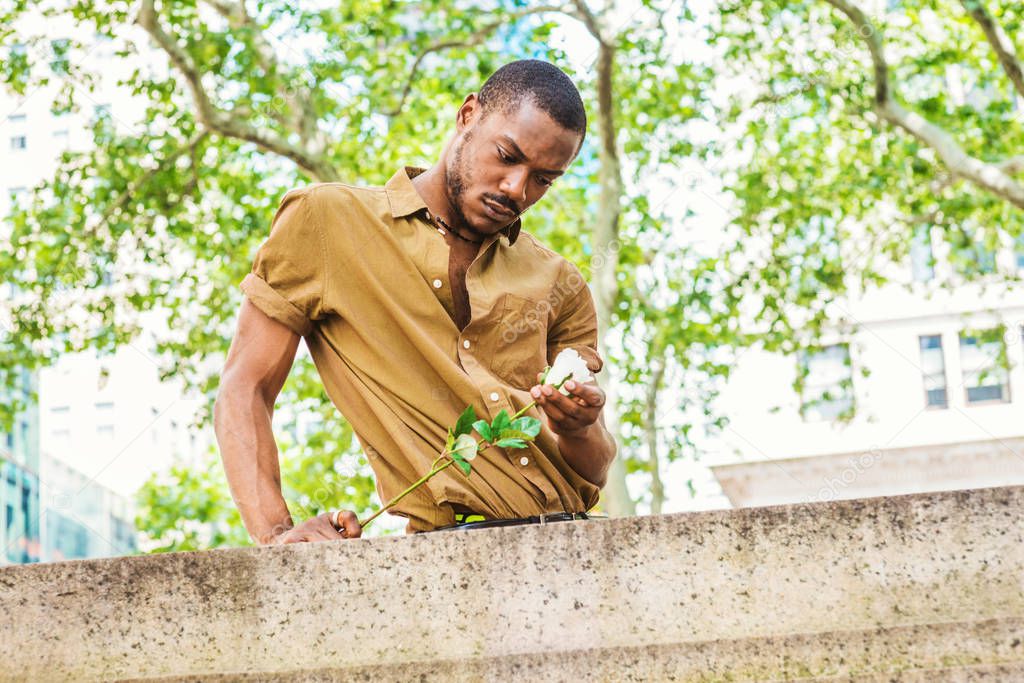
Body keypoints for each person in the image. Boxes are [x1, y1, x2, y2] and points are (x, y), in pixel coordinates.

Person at [214, 59, 616, 544]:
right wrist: (277, 535)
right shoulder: (327, 222)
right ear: (468, 114)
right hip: (448, 560)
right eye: (507, 156)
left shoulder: (560, 280)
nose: (517, 188)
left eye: (544, 179)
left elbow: (595, 469)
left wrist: (580, 426)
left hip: (581, 546)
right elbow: (245, 388)